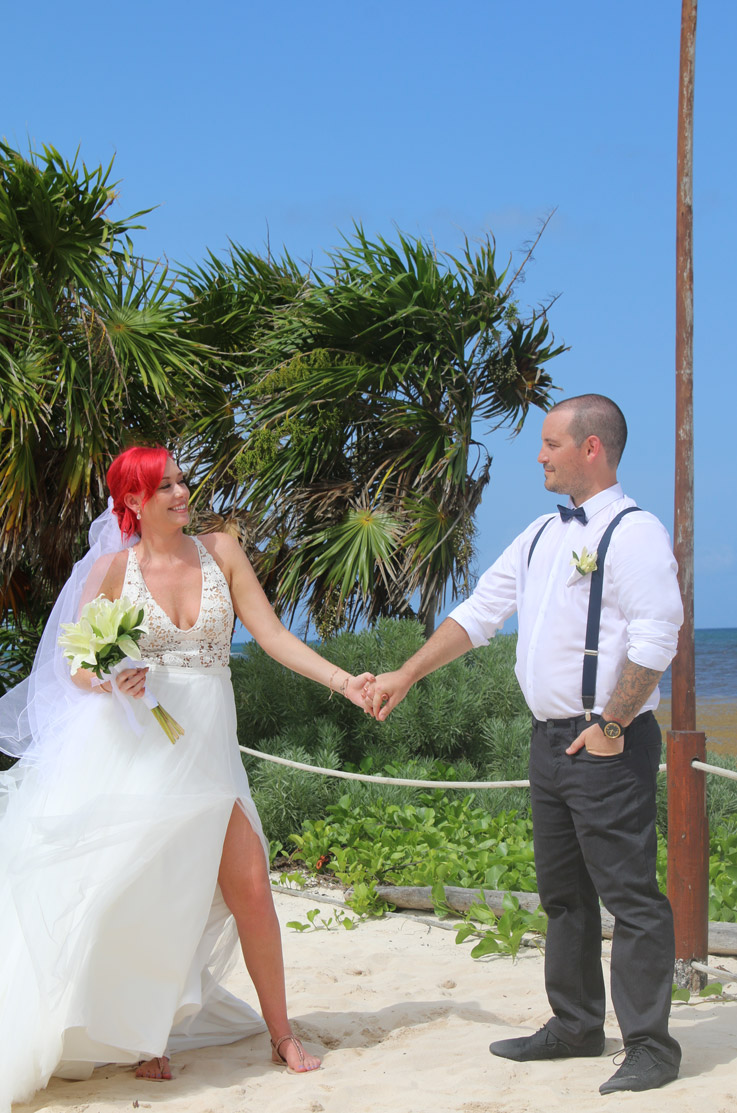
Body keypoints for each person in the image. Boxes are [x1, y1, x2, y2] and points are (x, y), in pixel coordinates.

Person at [0, 445, 375, 1108]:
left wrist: (343, 681)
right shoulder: (114, 570)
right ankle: (150, 1037)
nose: (181, 491)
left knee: (252, 886)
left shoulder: (221, 551)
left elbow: (272, 635)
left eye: (181, 479)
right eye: (163, 485)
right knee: (145, 893)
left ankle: (282, 1034)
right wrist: (114, 676)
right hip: (140, 749)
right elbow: (76, 669)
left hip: (209, 749)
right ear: (134, 502)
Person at [364, 394, 683, 1096]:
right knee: (563, 896)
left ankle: (651, 1046)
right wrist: (406, 675)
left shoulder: (632, 533)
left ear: (590, 448)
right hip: (548, 744)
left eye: (549, 443)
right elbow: (479, 613)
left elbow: (659, 636)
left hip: (607, 742)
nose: (537, 454)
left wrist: (610, 727)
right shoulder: (541, 533)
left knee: (629, 897)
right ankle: (574, 1027)